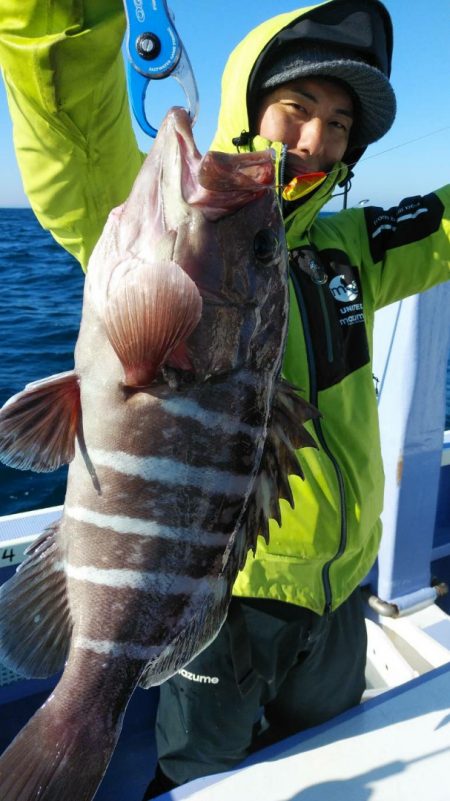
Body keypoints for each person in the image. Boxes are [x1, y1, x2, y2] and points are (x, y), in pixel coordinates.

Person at [0, 0, 449, 798]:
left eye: (340, 123)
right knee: (202, 778)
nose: (315, 139)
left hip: (339, 595)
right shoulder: (163, 217)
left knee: (327, 756)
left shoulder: (353, 251)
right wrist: (57, 15)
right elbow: (70, 131)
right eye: (296, 108)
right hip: (220, 599)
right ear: (248, 107)